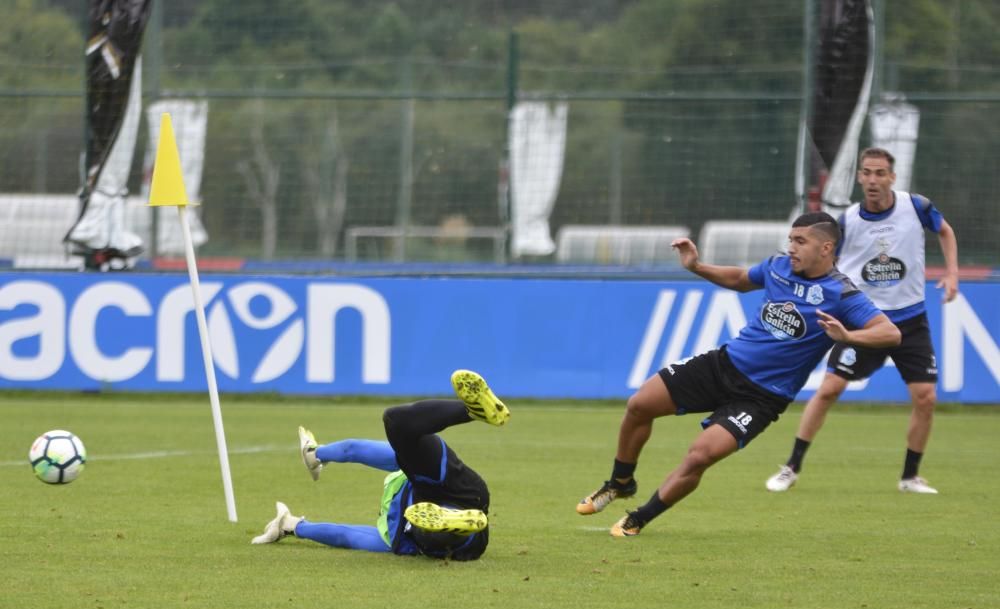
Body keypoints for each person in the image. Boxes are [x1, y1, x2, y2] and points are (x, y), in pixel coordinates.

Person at [575, 212, 901, 537]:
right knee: (639, 404)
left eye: (800, 241)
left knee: (700, 455)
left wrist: (849, 338)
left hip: (760, 398)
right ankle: (620, 483)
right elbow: (741, 279)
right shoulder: (778, 267)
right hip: (723, 364)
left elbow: (890, 333)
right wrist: (696, 267)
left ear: (826, 247)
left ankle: (640, 518)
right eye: (791, 239)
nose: (792, 247)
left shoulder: (842, 294)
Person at [765, 147, 959, 495]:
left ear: (892, 177)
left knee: (926, 397)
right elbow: (827, 263)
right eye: (867, 172)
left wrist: (952, 273)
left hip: (910, 319)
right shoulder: (847, 221)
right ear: (859, 178)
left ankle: (910, 477)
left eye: (880, 173)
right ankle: (790, 467)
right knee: (829, 390)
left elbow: (945, 230)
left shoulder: (916, 207)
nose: (873, 180)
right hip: (865, 320)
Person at [251, 370, 510, 561]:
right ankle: (468, 413)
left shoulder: (389, 535)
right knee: (395, 421)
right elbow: (354, 449)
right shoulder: (404, 470)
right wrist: (316, 453)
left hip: (442, 532)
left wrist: (294, 526)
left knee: (425, 532)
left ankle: (454, 521)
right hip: (463, 489)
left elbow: (346, 536)